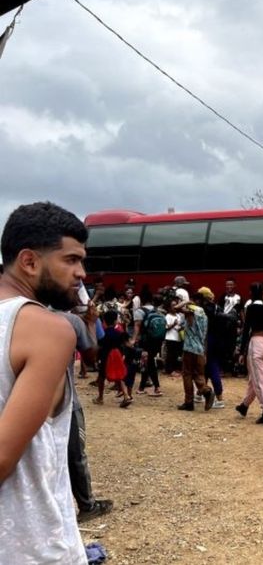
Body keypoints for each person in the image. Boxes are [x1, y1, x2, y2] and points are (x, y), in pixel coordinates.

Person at [0, 201, 88, 563]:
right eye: (70, 260)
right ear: (30, 261)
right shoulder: (48, 329)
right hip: (30, 543)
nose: (81, 272)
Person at [59, 304, 114, 523]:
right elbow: (92, 356)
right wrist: (90, 322)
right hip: (65, 404)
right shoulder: (69, 321)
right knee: (75, 456)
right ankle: (87, 505)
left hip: (20, 405)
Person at [235, 282, 263, 424]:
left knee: (259, 379)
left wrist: (241, 350)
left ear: (251, 293)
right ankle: (244, 405)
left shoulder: (250, 307)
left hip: (256, 342)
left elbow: (246, 330)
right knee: (256, 377)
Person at [176, 298, 215, 412]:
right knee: (199, 374)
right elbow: (205, 336)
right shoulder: (204, 316)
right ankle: (205, 390)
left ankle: (190, 401)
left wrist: (187, 302)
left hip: (189, 348)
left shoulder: (191, 313)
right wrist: (205, 353)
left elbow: (176, 308)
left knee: (187, 374)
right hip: (200, 350)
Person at [94, 310, 133, 408]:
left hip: (105, 356)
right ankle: (126, 395)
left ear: (104, 322)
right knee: (119, 376)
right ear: (116, 321)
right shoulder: (119, 333)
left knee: (102, 377)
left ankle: (100, 398)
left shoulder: (103, 334)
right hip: (117, 356)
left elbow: (99, 346)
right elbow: (127, 344)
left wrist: (96, 358)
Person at [133, 292, 165, 397]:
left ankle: (156, 387)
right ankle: (143, 387)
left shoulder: (139, 311)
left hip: (146, 341)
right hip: (157, 340)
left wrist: (134, 339)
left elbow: (137, 326)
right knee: (148, 362)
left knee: (148, 363)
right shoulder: (157, 310)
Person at [163, 298, 184, 375]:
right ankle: (169, 370)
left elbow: (180, 325)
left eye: (176, 305)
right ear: (169, 307)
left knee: (176, 355)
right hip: (170, 337)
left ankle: (174, 368)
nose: (175, 307)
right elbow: (166, 327)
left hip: (178, 337)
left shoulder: (178, 315)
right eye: (173, 305)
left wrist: (181, 328)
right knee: (170, 354)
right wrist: (173, 324)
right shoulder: (168, 316)